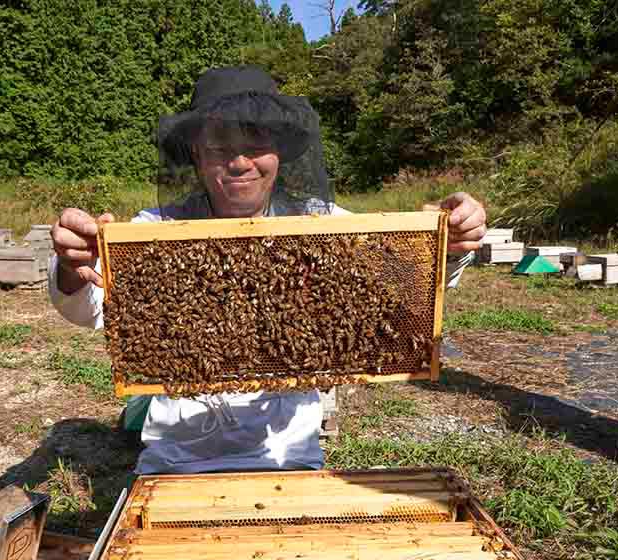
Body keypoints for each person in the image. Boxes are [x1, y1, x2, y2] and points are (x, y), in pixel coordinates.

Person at [49, 66, 487, 475]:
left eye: (255, 143)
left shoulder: (324, 226)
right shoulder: (155, 230)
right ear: (197, 155)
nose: (239, 162)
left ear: (278, 151)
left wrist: (452, 243)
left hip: (289, 458)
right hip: (176, 461)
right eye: (220, 145)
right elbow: (90, 308)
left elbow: (399, 286)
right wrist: (74, 264)